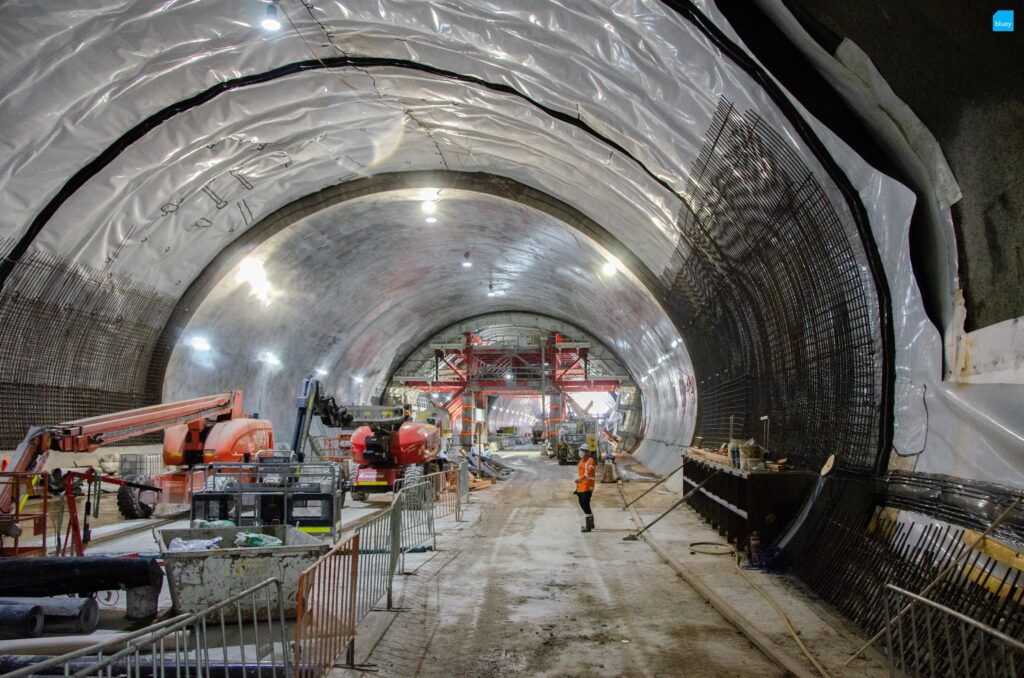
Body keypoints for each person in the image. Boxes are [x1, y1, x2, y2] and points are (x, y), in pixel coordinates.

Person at [573, 444, 597, 532]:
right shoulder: (582, 461)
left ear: (587, 452)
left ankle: (589, 526)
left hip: (587, 486)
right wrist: (577, 488)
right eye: (581, 450)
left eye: (583, 450)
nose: (581, 452)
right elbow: (580, 474)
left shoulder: (591, 461)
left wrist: (581, 478)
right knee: (582, 504)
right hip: (581, 486)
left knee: (585, 504)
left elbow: (590, 472)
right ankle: (591, 523)